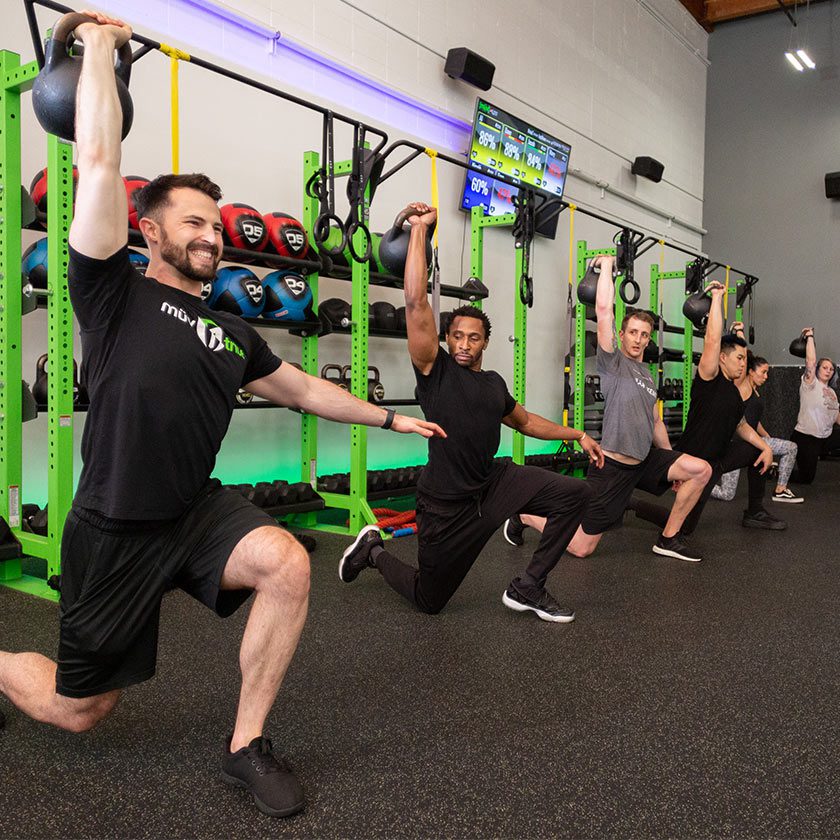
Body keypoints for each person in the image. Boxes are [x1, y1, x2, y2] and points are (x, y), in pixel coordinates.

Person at [0, 11, 444, 820]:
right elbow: (98, 160)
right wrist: (98, 49)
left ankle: (246, 745)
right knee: (80, 710)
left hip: (193, 510)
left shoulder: (233, 331)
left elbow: (307, 391)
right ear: (149, 230)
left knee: (287, 562)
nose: (212, 234)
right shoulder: (110, 293)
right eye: (194, 221)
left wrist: (391, 423)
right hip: (113, 525)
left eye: (217, 222)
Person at [338, 202, 602, 623]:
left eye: (473, 338)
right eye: (456, 336)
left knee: (577, 493)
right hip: (444, 505)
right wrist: (420, 230)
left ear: (484, 343)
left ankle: (529, 586)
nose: (463, 344)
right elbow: (413, 301)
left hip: (493, 483)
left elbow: (527, 422)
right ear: (446, 339)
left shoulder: (494, 383)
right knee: (430, 599)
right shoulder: (434, 369)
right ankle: (372, 551)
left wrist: (578, 435)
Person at [504, 255, 712, 562]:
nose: (639, 340)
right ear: (623, 334)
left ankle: (668, 540)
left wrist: (670, 463)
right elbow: (603, 311)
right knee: (581, 548)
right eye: (633, 333)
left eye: (644, 334)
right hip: (613, 468)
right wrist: (606, 270)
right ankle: (523, 516)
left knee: (700, 469)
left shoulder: (648, 375)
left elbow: (654, 419)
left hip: (645, 460)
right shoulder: (613, 363)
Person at [631, 283, 784, 535]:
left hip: (718, 460)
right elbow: (713, 339)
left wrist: (766, 447)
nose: (743, 364)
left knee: (757, 452)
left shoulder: (735, 394)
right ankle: (631, 504)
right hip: (694, 460)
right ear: (722, 358)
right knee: (685, 528)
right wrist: (717, 298)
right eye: (739, 358)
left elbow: (741, 425)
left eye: (745, 359)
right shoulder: (708, 379)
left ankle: (755, 511)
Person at [711, 340, 802, 503]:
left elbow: (752, 420)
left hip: (754, 440)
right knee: (727, 494)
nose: (766, 377)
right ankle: (698, 483)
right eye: (763, 372)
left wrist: (767, 439)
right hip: (736, 444)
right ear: (750, 371)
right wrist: (739, 334)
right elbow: (743, 361)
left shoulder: (755, 391)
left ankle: (780, 489)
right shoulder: (741, 385)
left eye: (767, 373)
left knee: (791, 447)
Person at [790, 328, 840, 484]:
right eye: (825, 367)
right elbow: (810, 362)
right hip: (806, 438)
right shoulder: (810, 384)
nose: (829, 371)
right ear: (818, 369)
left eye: (831, 369)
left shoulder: (832, 391)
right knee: (806, 478)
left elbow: (837, 415)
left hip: (825, 438)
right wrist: (810, 337)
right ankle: (778, 471)